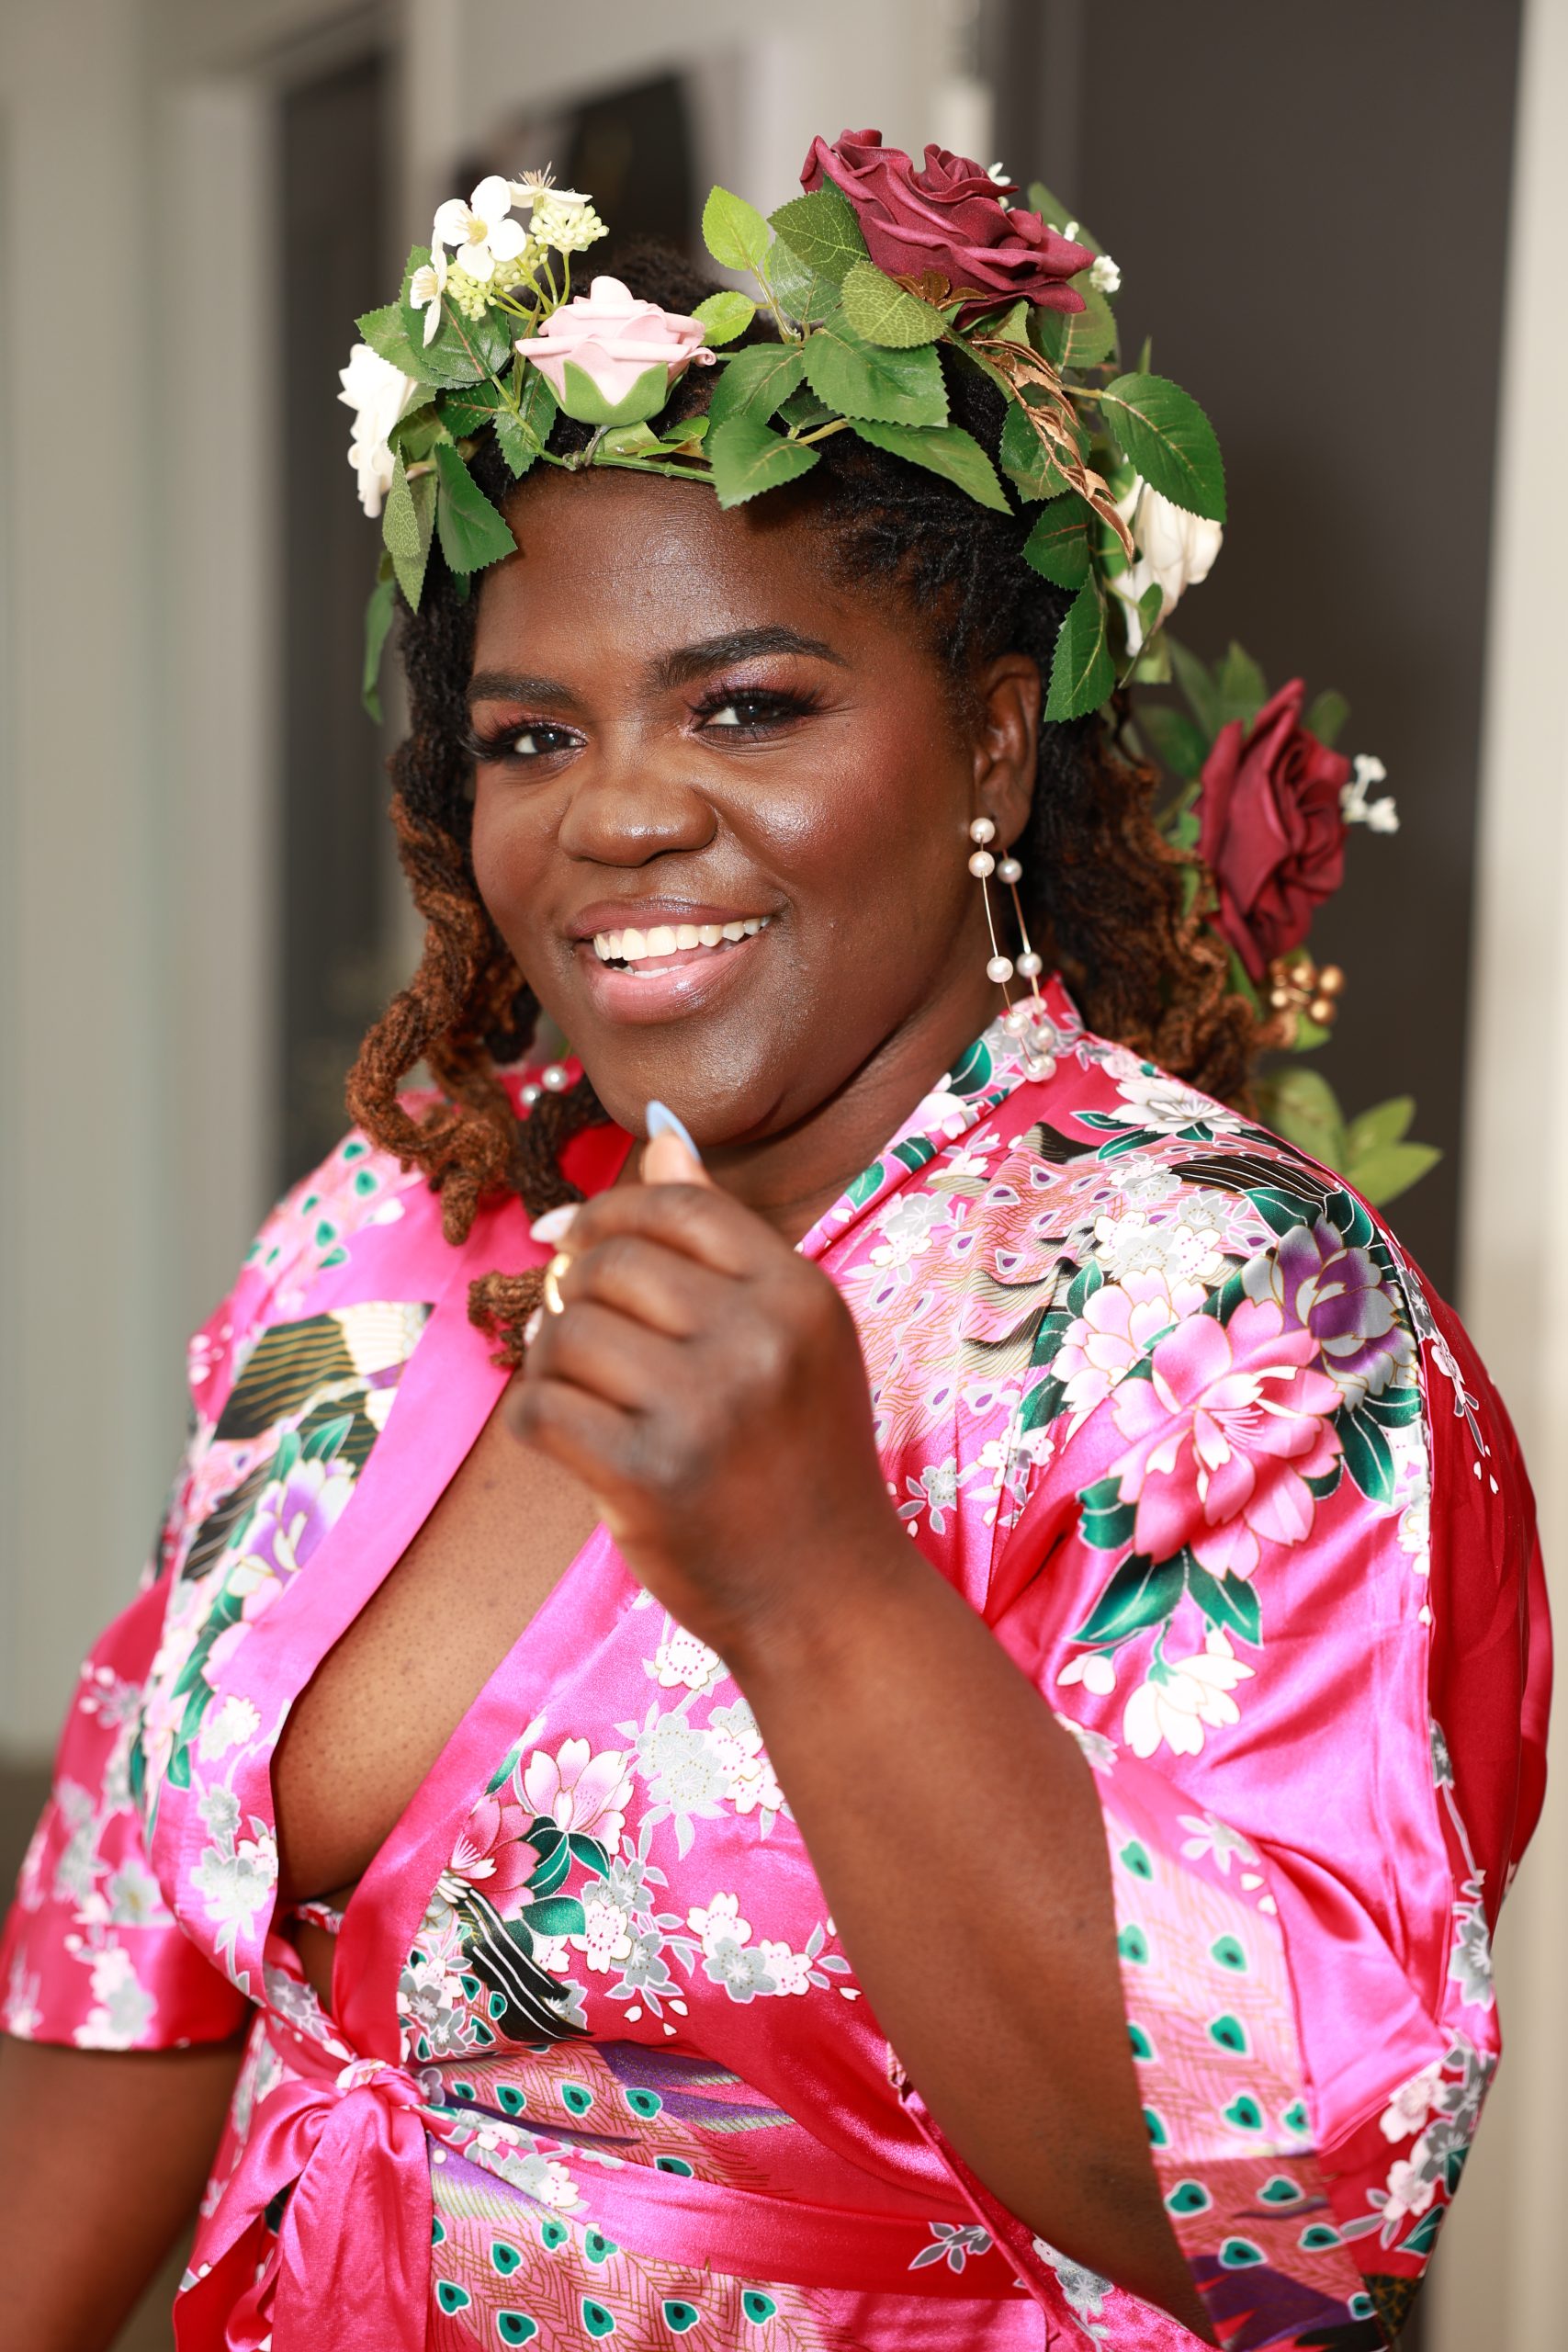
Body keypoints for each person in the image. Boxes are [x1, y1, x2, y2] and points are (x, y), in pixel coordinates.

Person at [0, 136, 1548, 2352]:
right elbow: (130, 1958)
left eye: (747, 704)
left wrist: (816, 1578)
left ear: (990, 748)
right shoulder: (383, 1228)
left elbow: (1299, 2217)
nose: (620, 808)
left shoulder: (1227, 1318)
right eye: (532, 734)